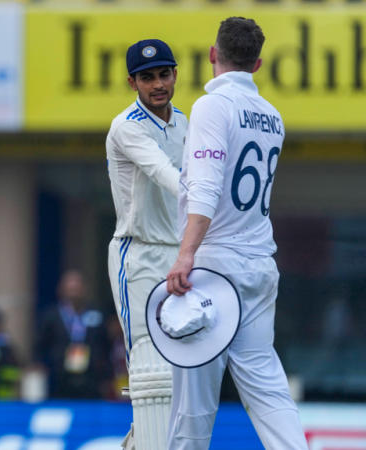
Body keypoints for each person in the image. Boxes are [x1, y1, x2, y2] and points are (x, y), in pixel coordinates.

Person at [165, 17, 308, 449]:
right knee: (267, 388)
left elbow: (206, 188)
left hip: (214, 265)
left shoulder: (211, 106)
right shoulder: (272, 116)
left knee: (193, 400)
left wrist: (186, 255)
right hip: (259, 264)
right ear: (258, 64)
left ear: (212, 54)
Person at [105, 39, 187, 449]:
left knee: (182, 366)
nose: (158, 84)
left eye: (164, 74)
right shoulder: (127, 126)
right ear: (132, 82)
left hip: (179, 253)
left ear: (175, 75)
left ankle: (141, 442)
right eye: (147, 77)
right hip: (138, 254)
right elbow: (164, 174)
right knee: (148, 365)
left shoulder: (187, 124)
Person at [36, 270, 113, 399]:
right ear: (61, 290)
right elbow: (40, 344)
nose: (74, 293)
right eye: (70, 289)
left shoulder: (97, 313)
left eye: (77, 288)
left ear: (84, 289)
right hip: (60, 376)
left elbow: (105, 343)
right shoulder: (52, 315)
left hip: (92, 376)